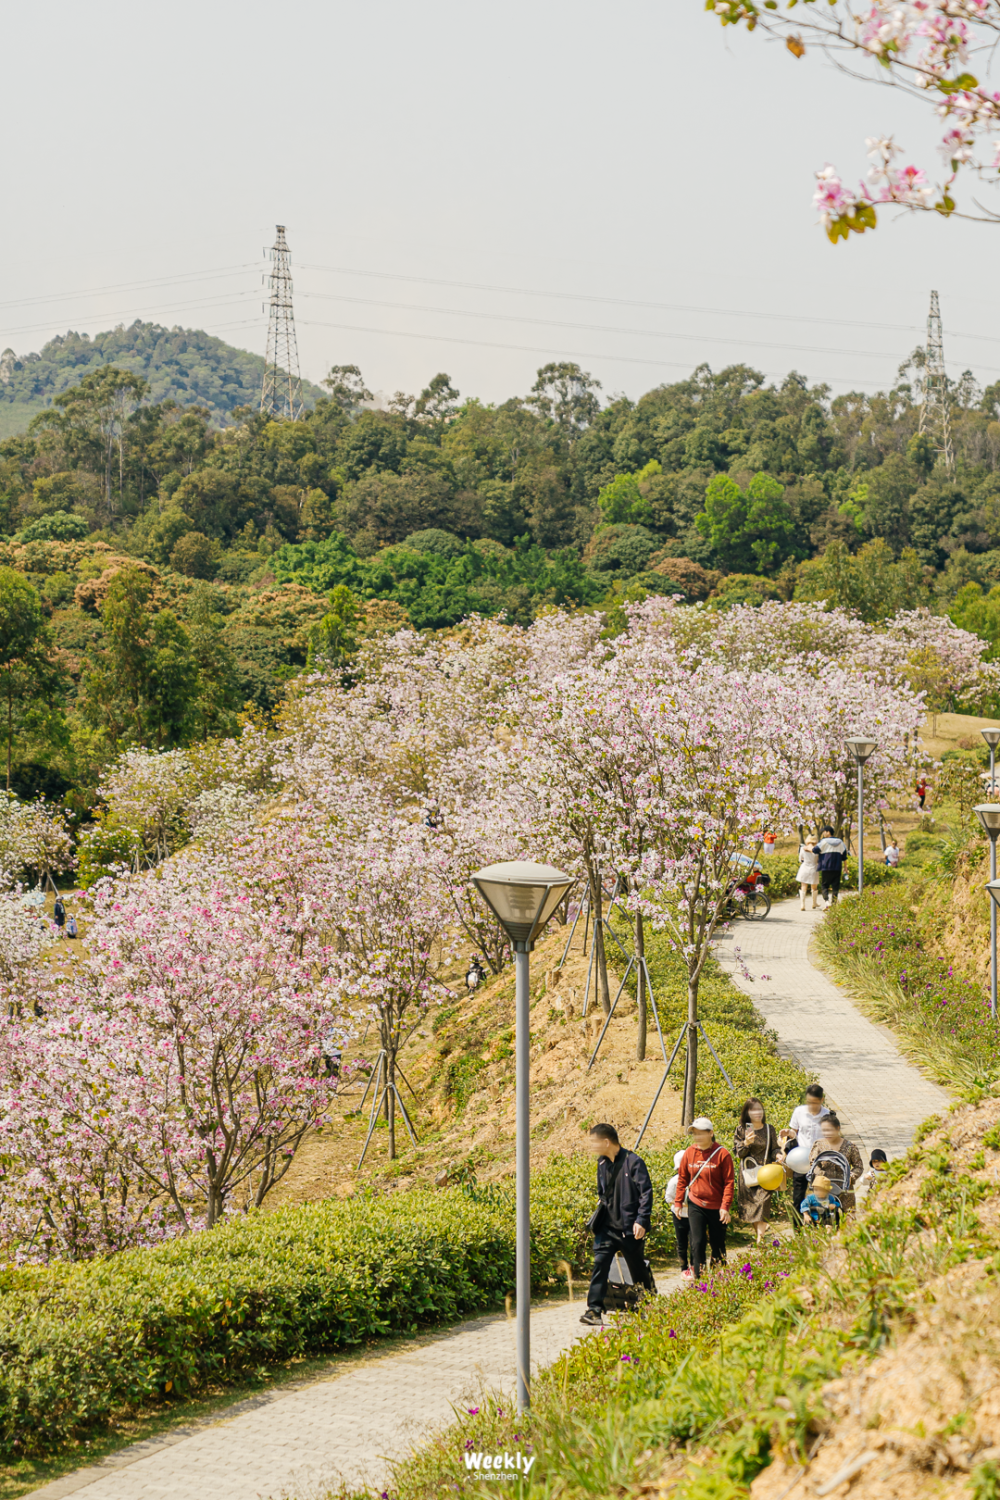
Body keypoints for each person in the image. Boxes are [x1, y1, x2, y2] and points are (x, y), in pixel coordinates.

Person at [580, 1123, 653, 1325]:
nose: (592, 1147)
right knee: (599, 1265)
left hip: (629, 1228)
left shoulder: (634, 1162)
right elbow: (602, 1193)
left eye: (595, 1142)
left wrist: (641, 1220)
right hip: (607, 1228)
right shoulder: (601, 1164)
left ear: (606, 1141)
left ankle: (647, 1305)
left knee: (637, 1268)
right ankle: (594, 1310)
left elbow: (646, 1193)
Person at [674, 1116, 734, 1282]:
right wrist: (678, 1202)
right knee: (697, 1242)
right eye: (695, 1134)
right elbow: (682, 1179)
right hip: (696, 1204)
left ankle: (718, 1277)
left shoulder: (723, 1154)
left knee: (717, 1244)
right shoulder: (689, 1153)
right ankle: (700, 1277)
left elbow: (729, 1183)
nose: (698, 1137)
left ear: (711, 1133)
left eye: (701, 1133)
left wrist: (725, 1206)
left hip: (717, 1206)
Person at [778, 1083, 830, 1222]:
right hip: (801, 1159)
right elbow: (794, 1132)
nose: (811, 1105)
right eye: (809, 1102)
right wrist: (787, 1132)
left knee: (819, 1194)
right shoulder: (799, 1112)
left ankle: (820, 1226)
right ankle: (798, 1228)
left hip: (820, 1161)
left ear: (822, 1100)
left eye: (815, 1102)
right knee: (798, 1195)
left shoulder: (828, 1115)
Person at [733, 1098, 779, 1244]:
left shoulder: (768, 1129)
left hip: (766, 1173)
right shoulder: (741, 1130)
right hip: (748, 1173)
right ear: (747, 1112)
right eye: (753, 1110)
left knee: (763, 1203)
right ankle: (760, 1235)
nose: (757, 1112)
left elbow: (774, 1148)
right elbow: (738, 1153)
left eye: (759, 1109)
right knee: (752, 1208)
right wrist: (746, 1143)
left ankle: (760, 1239)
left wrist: (778, 1154)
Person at [808, 1114, 863, 1213]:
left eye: (830, 1130)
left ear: (838, 1128)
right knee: (825, 1218)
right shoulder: (819, 1145)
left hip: (845, 1189)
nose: (827, 1133)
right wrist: (819, 1176)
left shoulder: (850, 1146)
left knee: (848, 1219)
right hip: (823, 1190)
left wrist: (851, 1176)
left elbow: (858, 1166)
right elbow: (813, 1163)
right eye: (824, 1130)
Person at [665, 1149, 689, 1274]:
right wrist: (681, 1204)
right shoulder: (674, 1181)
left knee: (697, 1242)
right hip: (679, 1215)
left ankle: (697, 1267)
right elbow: (668, 1198)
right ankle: (684, 1268)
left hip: (694, 1215)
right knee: (682, 1244)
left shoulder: (696, 1179)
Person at [815, 827, 848, 908]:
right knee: (835, 887)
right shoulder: (840, 842)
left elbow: (815, 850)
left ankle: (827, 901)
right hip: (837, 867)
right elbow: (844, 855)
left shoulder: (823, 842)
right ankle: (833, 905)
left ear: (828, 832)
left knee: (824, 885)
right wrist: (845, 868)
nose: (823, 833)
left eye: (824, 832)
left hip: (826, 867)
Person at [795, 837, 820, 911]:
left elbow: (800, 859)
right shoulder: (816, 849)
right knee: (814, 887)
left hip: (804, 867)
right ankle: (814, 903)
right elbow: (819, 860)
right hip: (814, 868)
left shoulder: (803, 848)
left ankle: (802, 904)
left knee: (803, 886)